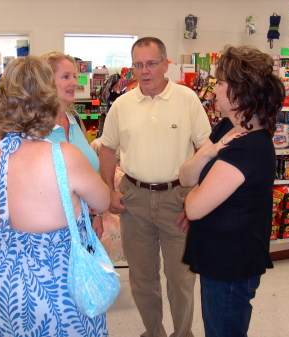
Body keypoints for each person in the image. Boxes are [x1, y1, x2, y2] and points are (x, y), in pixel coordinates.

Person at [0, 56, 110, 336]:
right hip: (56, 286)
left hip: (1, 282)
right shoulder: (63, 156)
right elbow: (102, 201)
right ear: (47, 98)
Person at [99, 37, 211, 337]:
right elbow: (107, 149)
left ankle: (183, 333)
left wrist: (196, 199)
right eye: (138, 64)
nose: (144, 71)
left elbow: (206, 150)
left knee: (181, 278)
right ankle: (154, 332)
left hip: (178, 198)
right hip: (134, 198)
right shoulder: (121, 104)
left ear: (165, 64)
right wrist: (109, 190)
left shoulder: (187, 99)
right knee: (142, 278)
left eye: (151, 63)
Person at [179, 45, 286, 337]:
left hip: (231, 264)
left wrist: (198, 191)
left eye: (222, 82)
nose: (214, 90)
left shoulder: (249, 147)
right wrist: (210, 152)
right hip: (219, 257)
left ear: (242, 90)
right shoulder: (228, 127)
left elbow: (193, 206)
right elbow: (186, 176)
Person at [40, 50, 104, 238]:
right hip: (51, 229)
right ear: (46, 82)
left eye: (75, 76)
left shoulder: (75, 119)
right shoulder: (37, 128)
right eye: (66, 76)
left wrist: (96, 213)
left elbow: (91, 170)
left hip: (84, 224)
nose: (75, 83)